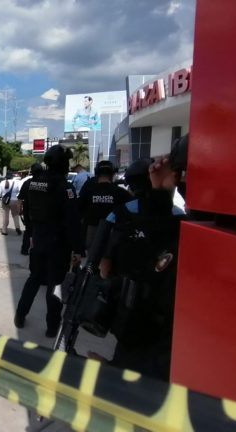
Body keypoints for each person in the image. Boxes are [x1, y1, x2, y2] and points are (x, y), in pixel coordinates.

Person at [95, 136, 189, 381]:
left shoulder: (124, 212)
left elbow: (104, 256)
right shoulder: (175, 218)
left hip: (140, 309)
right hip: (140, 307)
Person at [14, 146, 83, 337]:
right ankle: (52, 327)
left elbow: (28, 212)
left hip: (38, 238)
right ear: (62, 163)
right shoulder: (64, 186)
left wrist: (32, 233)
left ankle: (20, 314)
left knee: (34, 278)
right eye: (66, 162)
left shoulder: (35, 182)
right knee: (55, 284)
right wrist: (78, 249)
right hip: (58, 244)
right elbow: (72, 220)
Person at [78, 160, 132, 253]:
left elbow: (79, 209)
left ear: (97, 173)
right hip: (112, 233)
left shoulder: (88, 190)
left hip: (92, 232)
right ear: (112, 174)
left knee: (92, 258)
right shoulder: (120, 192)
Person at [17, 163, 42, 255]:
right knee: (40, 231)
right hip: (42, 212)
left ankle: (25, 249)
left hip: (28, 211)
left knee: (28, 231)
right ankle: (38, 250)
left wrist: (19, 210)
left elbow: (20, 198)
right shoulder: (45, 183)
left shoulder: (27, 183)